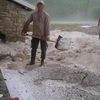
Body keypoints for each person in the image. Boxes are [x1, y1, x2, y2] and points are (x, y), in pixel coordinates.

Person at [21, 1, 50, 66]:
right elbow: (27, 22)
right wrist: (24, 31)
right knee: (33, 48)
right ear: (37, 7)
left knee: (43, 49)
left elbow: (47, 26)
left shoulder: (46, 15)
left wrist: (47, 35)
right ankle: (32, 61)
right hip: (35, 35)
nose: (40, 7)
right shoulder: (33, 14)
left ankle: (42, 61)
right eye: (38, 6)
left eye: (41, 6)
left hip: (43, 35)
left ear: (43, 7)